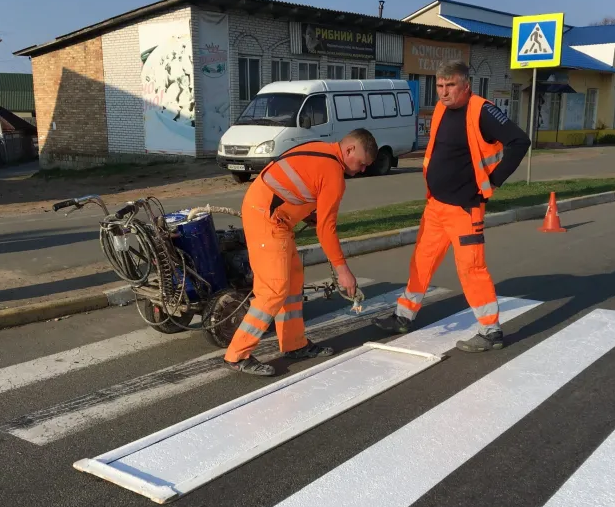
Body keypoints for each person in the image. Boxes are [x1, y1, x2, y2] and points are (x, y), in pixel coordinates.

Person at [373, 60, 531, 352]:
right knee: (421, 261)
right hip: (436, 205)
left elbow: (520, 141)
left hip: (464, 208)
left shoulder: (481, 110)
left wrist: (492, 182)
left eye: (450, 86)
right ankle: (403, 316)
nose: (444, 92)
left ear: (466, 85)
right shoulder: (442, 110)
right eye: (440, 86)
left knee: (472, 269)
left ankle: (490, 331)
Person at [224, 129, 379, 376]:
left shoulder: (322, 149)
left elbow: (295, 183)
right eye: (361, 163)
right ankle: (237, 354)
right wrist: (343, 271)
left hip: (272, 216)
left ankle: (294, 344)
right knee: (274, 289)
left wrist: (306, 213)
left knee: (293, 282)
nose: (362, 170)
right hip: (268, 219)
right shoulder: (333, 174)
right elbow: (326, 230)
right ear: (349, 150)